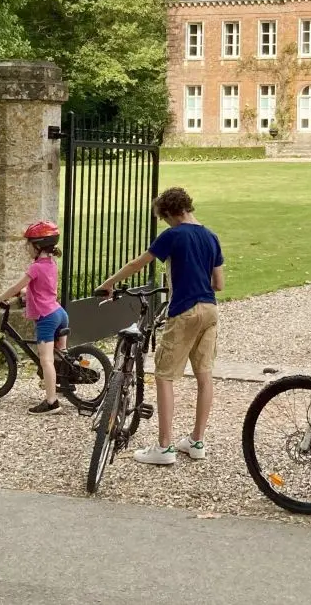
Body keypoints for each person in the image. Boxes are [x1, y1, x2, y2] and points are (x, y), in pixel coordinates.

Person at [98, 187, 224, 466]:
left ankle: (165, 447)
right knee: (204, 375)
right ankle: (196, 441)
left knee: (164, 375)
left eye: (164, 218)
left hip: (185, 310)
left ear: (169, 213)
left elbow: (138, 263)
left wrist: (109, 284)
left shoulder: (173, 235)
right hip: (210, 309)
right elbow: (219, 284)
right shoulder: (211, 236)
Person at [0, 221, 69, 415]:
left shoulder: (35, 268)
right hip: (59, 313)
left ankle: (51, 402)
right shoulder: (50, 264)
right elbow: (39, 288)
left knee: (45, 360)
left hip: (46, 318)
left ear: (38, 246)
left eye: (29, 244)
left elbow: (16, 287)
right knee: (60, 358)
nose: (26, 248)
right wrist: (25, 293)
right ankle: (62, 386)